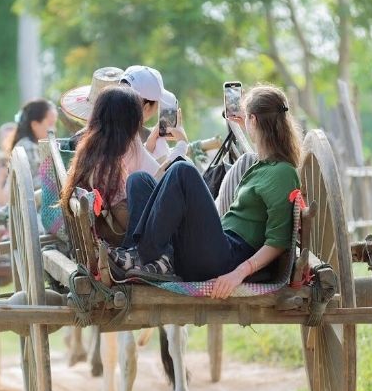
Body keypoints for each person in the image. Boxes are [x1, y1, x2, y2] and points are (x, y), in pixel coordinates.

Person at [109, 84, 303, 299]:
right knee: (139, 180)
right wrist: (244, 122)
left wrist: (238, 274)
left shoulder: (283, 173)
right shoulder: (263, 165)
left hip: (227, 259)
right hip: (214, 248)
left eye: (248, 117)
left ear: (254, 120)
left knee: (183, 171)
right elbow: (260, 149)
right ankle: (138, 254)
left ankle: (143, 255)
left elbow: (278, 242)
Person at [61, 85, 166, 246]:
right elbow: (124, 217)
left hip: (98, 234)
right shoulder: (108, 163)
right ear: (128, 123)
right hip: (120, 239)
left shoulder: (88, 149)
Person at [0, 99, 57, 205]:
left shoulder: (25, 144)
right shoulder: (28, 146)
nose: (54, 129)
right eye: (51, 124)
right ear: (35, 125)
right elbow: (38, 184)